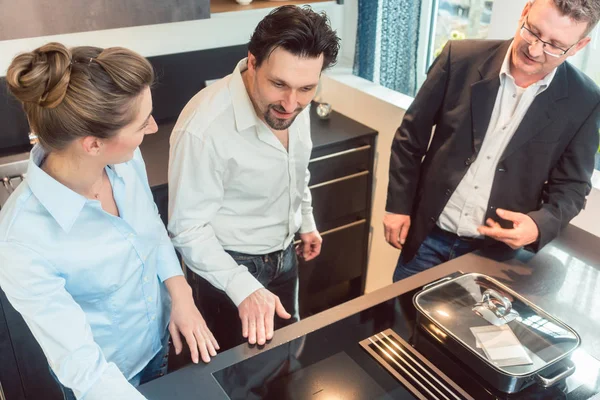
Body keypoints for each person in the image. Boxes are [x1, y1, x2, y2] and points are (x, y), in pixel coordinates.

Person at [0, 42, 218, 400]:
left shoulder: (126, 162)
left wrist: (181, 295)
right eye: (141, 122)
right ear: (93, 145)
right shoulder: (20, 241)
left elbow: (151, 229)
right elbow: (83, 366)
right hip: (105, 382)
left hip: (159, 345)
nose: (151, 128)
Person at [384, 0, 600, 281]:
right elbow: (411, 136)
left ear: (579, 46)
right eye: (532, 31)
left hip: (496, 256)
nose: (534, 50)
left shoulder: (585, 100)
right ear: (525, 10)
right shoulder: (459, 57)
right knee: (401, 321)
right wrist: (397, 206)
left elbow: (572, 186)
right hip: (426, 238)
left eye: (554, 45)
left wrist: (539, 226)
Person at [168, 5, 340, 350]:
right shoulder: (204, 127)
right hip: (227, 269)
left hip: (284, 253)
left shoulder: (290, 104)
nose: (291, 104)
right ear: (252, 61)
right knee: (233, 376)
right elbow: (186, 228)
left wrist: (305, 221)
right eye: (279, 84)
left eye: (306, 88)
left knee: (285, 358)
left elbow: (295, 169)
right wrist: (242, 286)